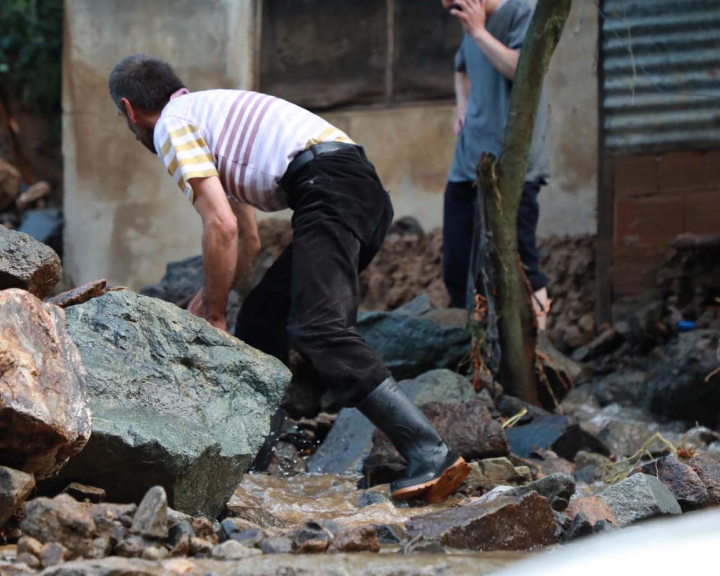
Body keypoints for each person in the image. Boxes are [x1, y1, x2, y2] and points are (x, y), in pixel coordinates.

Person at [108, 54, 471, 502]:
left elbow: (219, 226)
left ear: (128, 110)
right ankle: (258, 460)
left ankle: (427, 448)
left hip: (330, 187)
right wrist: (208, 296)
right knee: (262, 317)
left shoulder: (171, 125)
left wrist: (216, 315)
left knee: (319, 328)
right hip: (353, 189)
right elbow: (247, 237)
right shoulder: (205, 114)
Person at [430, 0, 550, 328]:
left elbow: (521, 68)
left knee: (521, 265)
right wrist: (462, 106)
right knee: (457, 269)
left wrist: (479, 30)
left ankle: (538, 353)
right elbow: (460, 67)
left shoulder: (521, 13)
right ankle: (474, 357)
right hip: (467, 163)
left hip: (511, 166)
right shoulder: (468, 23)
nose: (448, 3)